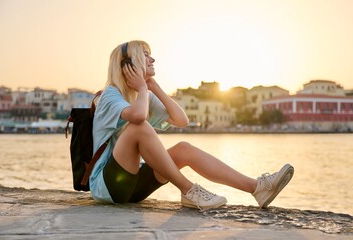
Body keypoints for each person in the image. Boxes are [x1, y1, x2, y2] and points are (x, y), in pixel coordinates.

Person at [90, 40, 294, 210]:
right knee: (139, 127)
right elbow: (137, 117)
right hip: (108, 187)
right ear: (128, 65)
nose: (153, 59)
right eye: (145, 55)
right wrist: (143, 88)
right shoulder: (110, 95)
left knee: (183, 149)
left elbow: (181, 121)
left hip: (133, 187)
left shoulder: (143, 95)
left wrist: (154, 87)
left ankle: (256, 188)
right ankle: (189, 190)